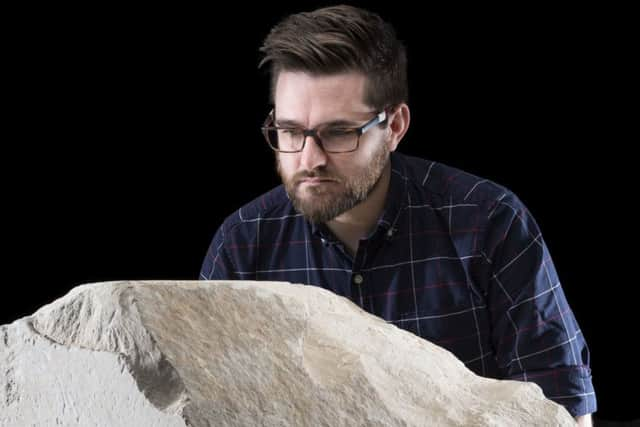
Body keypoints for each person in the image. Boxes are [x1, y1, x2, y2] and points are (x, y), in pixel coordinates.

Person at [200, 5, 595, 424]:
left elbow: (563, 411)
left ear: (395, 126)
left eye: (338, 132)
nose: (309, 159)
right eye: (291, 131)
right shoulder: (242, 245)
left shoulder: (489, 223)